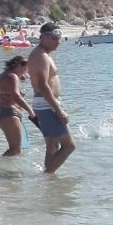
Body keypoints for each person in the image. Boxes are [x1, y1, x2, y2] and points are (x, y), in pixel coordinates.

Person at [28, 23, 76, 174]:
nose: (57, 42)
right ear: (42, 37)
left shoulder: (44, 54)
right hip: (46, 105)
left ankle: (49, 184)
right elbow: (42, 85)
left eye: (58, 38)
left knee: (52, 145)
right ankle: (47, 175)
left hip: (45, 103)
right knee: (69, 146)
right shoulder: (40, 56)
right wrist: (59, 110)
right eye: (53, 38)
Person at [0, 56, 36, 156]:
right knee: (15, 149)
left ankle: (6, 169)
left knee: (15, 148)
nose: (26, 71)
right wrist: (30, 110)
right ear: (19, 65)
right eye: (25, 68)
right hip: (9, 114)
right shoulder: (13, 76)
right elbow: (16, 95)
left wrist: (3, 102)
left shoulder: (3, 75)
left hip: (1, 112)